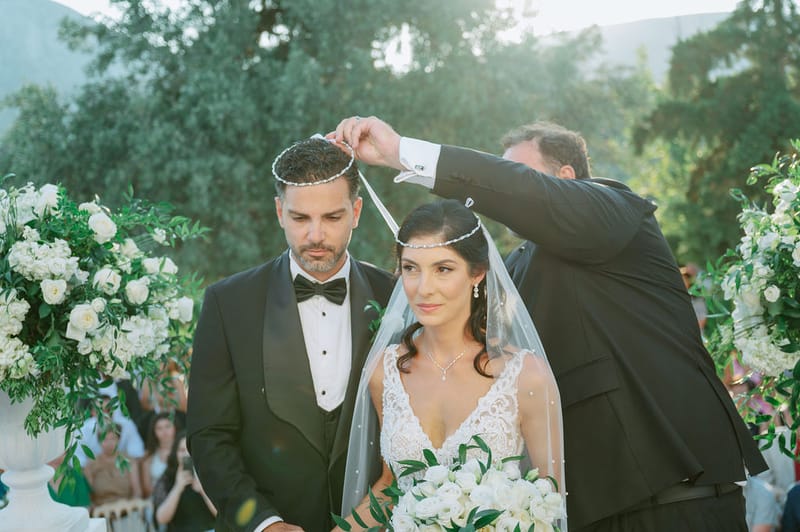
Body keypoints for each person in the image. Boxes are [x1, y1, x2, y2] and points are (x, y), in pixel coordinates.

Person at [331, 116, 767, 531]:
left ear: (565, 178)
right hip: (585, 513)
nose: (501, 193)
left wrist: (402, 152)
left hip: (678, 502)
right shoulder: (514, 270)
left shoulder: (617, 212)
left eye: (518, 176)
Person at [186, 136, 395, 531]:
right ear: (280, 212)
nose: (315, 236)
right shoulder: (227, 303)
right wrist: (264, 523)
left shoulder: (396, 299)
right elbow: (208, 436)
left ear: (357, 211)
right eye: (301, 218)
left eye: (332, 218)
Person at [339, 199, 565, 530]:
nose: (423, 288)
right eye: (411, 268)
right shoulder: (385, 371)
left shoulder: (525, 376)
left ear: (477, 274)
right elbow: (389, 488)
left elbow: (549, 502)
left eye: (443, 269)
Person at [152, 432, 216, 532]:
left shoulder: (209, 473)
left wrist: (202, 489)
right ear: (175, 453)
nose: (186, 454)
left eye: (189, 450)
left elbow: (221, 514)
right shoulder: (167, 478)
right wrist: (178, 487)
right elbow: (161, 519)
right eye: (182, 450)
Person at [83, 424, 143, 508]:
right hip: (101, 509)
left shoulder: (129, 461)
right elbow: (87, 495)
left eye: (112, 438)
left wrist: (132, 506)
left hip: (126, 507)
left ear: (119, 440)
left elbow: (137, 492)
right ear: (99, 442)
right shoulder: (91, 464)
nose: (109, 443)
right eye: (105, 439)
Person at [141, 412, 179, 499]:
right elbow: (147, 489)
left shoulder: (185, 451)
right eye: (159, 428)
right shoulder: (149, 456)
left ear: (175, 428)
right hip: (157, 500)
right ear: (154, 432)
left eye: (168, 426)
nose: (164, 431)